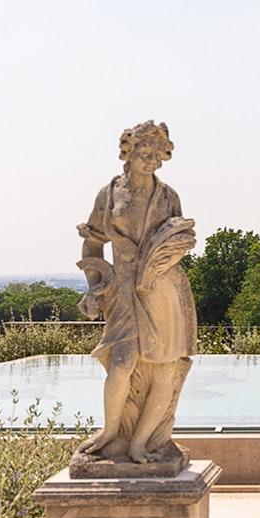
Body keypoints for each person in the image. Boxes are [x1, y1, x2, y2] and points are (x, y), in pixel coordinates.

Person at [75, 120, 197, 464]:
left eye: (158, 155)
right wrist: (95, 288)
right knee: (122, 361)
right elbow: (92, 245)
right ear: (129, 153)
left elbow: (180, 240)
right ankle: (111, 431)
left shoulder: (168, 196)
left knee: (165, 369)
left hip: (163, 289)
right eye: (145, 152)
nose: (152, 160)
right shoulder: (110, 194)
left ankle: (141, 443)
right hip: (123, 291)